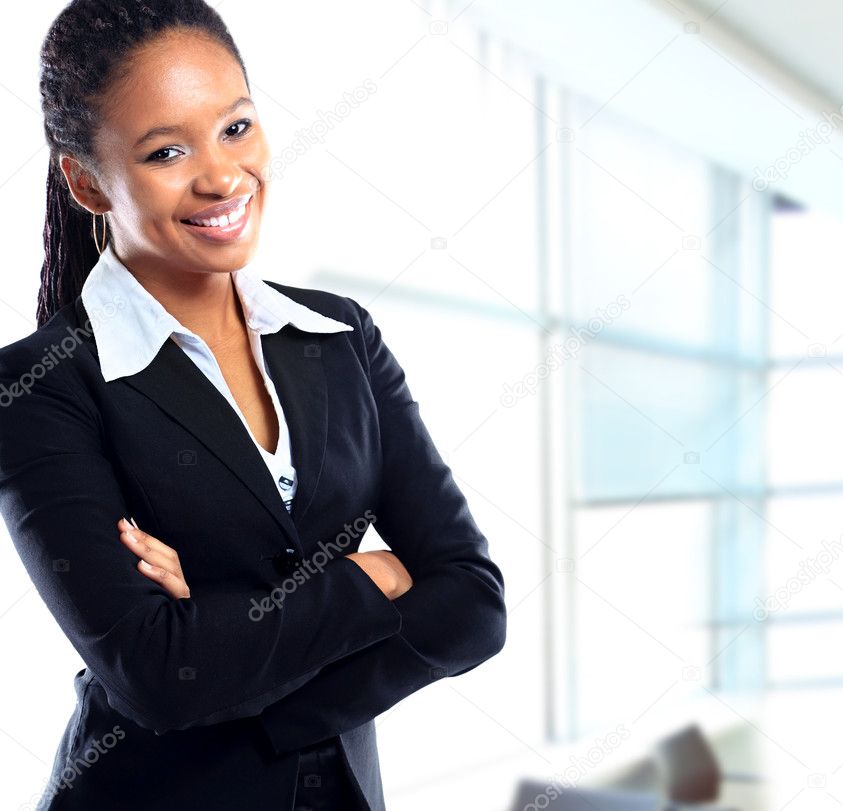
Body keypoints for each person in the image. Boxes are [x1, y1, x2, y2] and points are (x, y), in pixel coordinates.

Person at [0, 2, 506, 809]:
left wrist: (223, 632)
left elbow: (473, 604)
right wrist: (373, 572)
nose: (221, 176)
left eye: (235, 128)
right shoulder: (41, 387)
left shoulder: (339, 335)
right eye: (167, 150)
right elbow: (159, 677)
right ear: (88, 181)